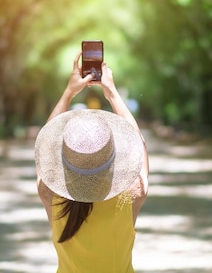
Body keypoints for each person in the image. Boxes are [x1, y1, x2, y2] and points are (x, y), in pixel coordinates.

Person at [34, 51, 149, 273]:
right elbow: (139, 145)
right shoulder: (130, 196)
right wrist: (112, 93)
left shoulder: (52, 197)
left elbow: (44, 146)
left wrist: (68, 93)